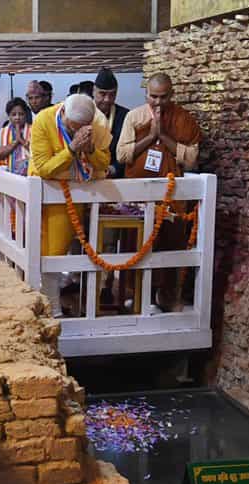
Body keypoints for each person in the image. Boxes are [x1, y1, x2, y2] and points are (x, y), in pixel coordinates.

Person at [117, 73, 202, 312]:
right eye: (153, 96)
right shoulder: (135, 117)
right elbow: (122, 155)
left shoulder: (183, 119)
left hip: (172, 197)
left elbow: (192, 160)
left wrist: (163, 135)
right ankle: (135, 295)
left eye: (163, 97)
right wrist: (150, 137)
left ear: (171, 95)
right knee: (136, 245)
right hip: (138, 197)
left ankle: (165, 296)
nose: (158, 102)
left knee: (171, 243)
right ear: (146, 94)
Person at [30, 93, 111, 317]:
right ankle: (52, 309)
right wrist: (72, 148)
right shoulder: (43, 120)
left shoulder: (98, 123)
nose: (76, 130)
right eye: (72, 126)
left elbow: (105, 163)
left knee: (84, 251)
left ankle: (77, 304)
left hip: (84, 192)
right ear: (63, 111)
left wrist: (91, 150)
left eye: (80, 127)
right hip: (50, 193)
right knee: (51, 252)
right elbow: (44, 168)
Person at [93, 68, 129, 178]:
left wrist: (113, 169)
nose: (107, 99)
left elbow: (129, 150)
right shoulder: (83, 113)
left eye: (112, 95)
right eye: (102, 94)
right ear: (93, 91)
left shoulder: (125, 116)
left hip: (116, 175)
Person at [0, 98, 32, 175]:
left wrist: (22, 140)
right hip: (7, 176)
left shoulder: (34, 130)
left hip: (29, 175)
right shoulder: (2, 132)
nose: (17, 117)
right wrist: (15, 142)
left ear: (26, 115)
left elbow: (38, 153)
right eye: (13, 114)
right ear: (9, 116)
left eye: (21, 114)